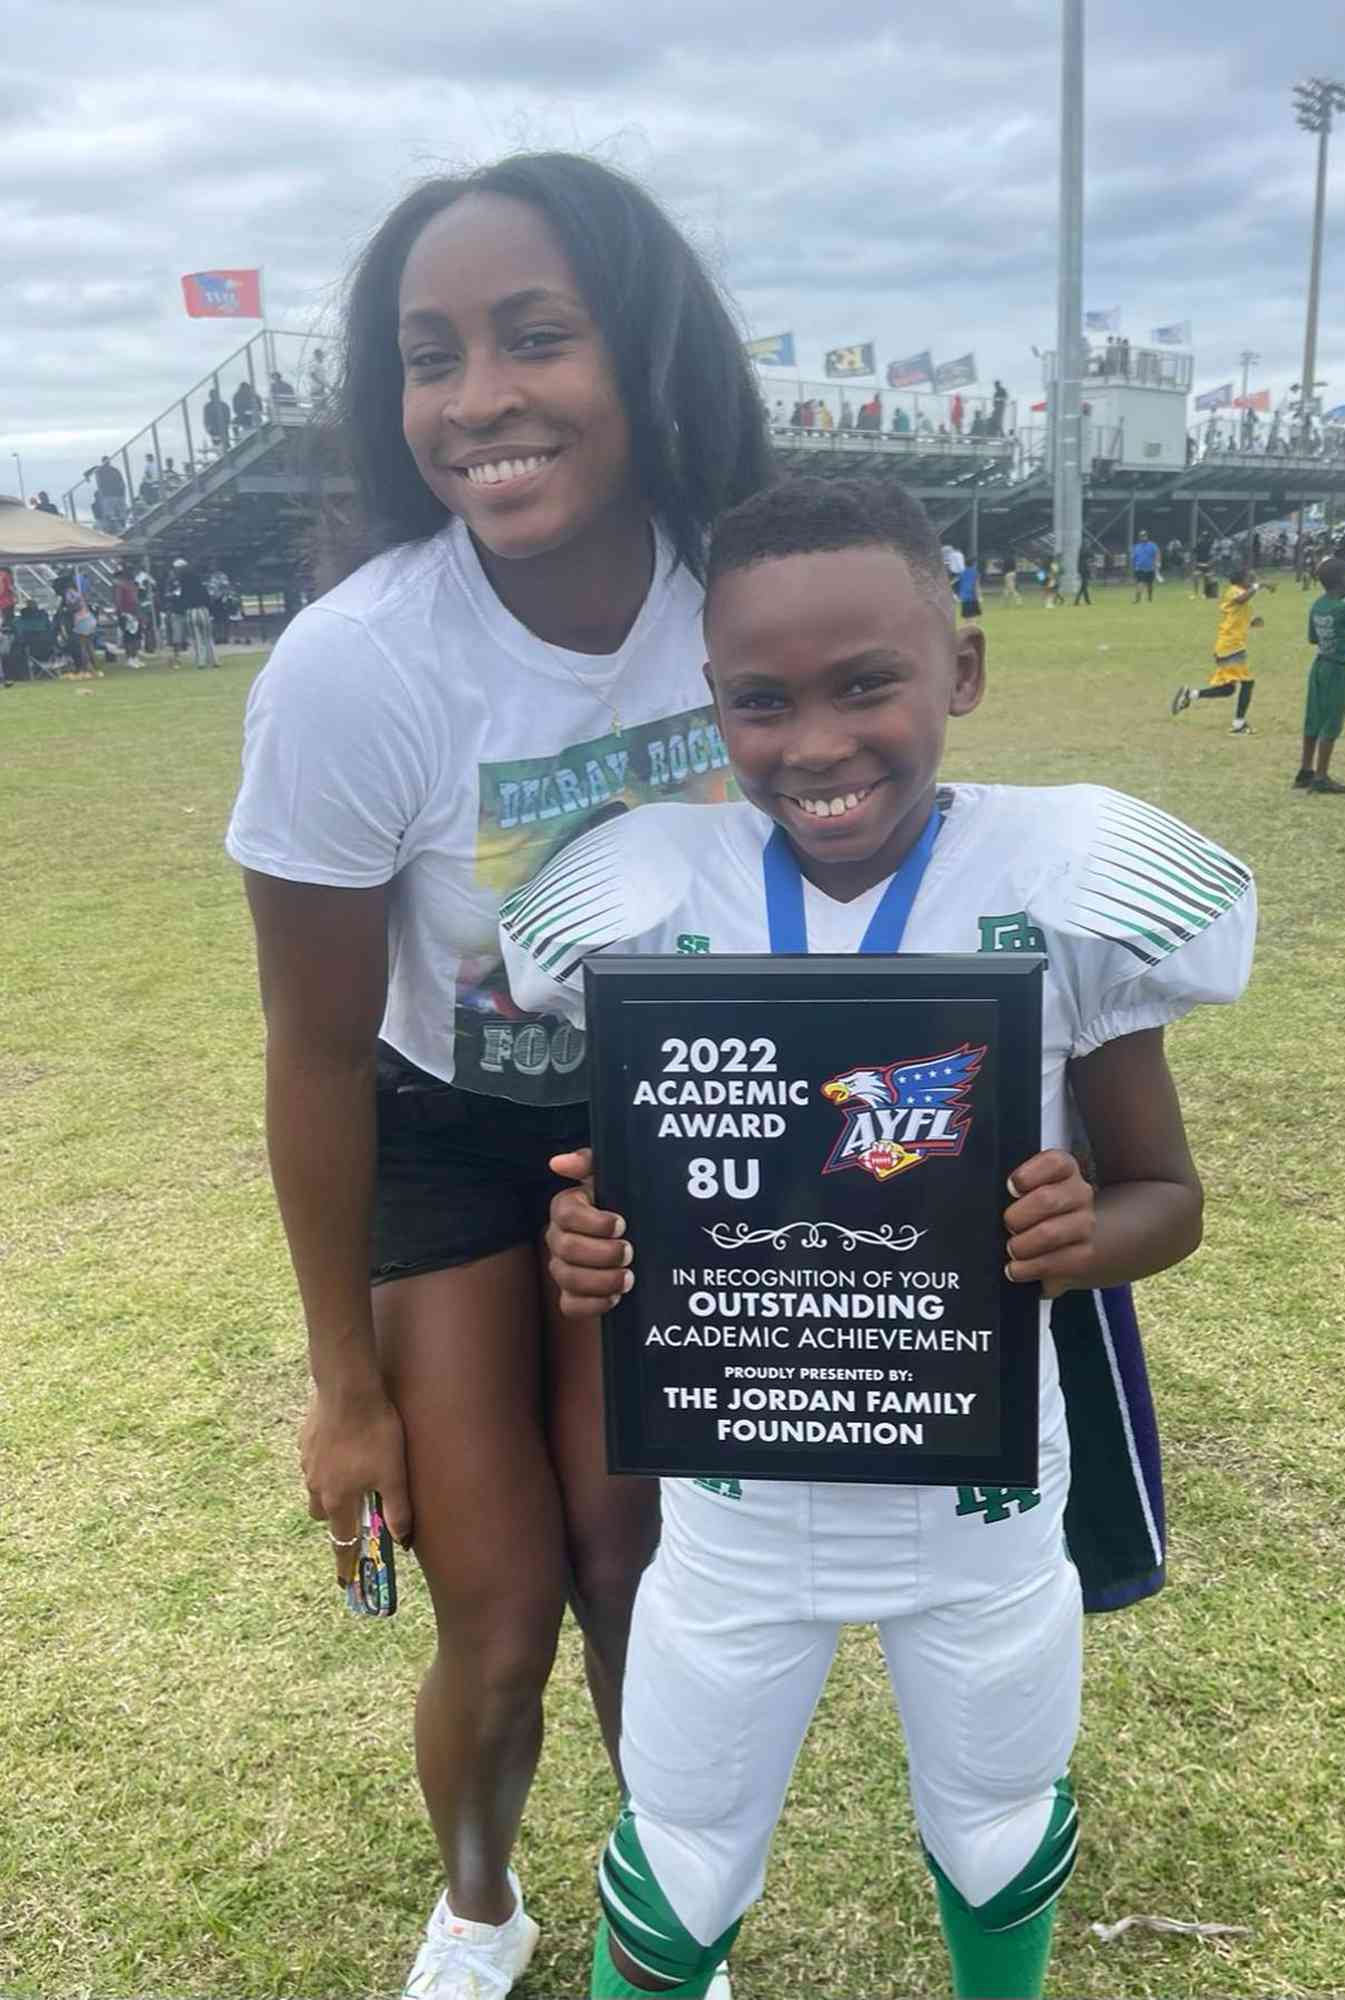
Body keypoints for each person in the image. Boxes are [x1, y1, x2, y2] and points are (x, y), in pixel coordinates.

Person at [498, 474, 1255, 2000]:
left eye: (868, 685)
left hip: (979, 1497)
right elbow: (635, 1202)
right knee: (686, 1843)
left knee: (994, 1827)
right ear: (716, 709)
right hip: (734, 1501)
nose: (819, 742)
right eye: (763, 701)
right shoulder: (650, 894)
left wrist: (1078, 1231)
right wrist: (585, 1248)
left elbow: (1165, 1198)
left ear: (960, 671)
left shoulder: (1062, 880)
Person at [223, 150, 773, 2000]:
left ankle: (662, 1911)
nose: (477, 401)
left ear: (643, 353)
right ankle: (479, 1902)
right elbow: (310, 1046)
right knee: (498, 1606)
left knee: (636, 1566)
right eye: (428, 355)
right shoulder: (358, 665)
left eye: (533, 337)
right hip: (447, 1138)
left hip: (664, 1124)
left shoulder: (741, 595)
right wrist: (338, 1384)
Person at [1169, 565, 1274, 734]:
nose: (1251, 581)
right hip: (1230, 647)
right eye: (1249, 578)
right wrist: (1259, 586)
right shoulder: (1234, 591)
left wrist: (1252, 622)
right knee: (1248, 683)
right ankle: (1239, 724)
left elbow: (1237, 616)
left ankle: (1190, 695)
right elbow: (1241, 600)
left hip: (1231, 646)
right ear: (1240, 581)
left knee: (1228, 689)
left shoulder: (1239, 593)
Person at [1292, 558, 1345, 794]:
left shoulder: (1318, 605)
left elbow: (1314, 638)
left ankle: (1305, 770)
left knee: (1313, 718)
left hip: (1320, 665)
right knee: (1332, 720)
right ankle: (1321, 776)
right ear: (1343, 580)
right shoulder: (1343, 607)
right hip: (1336, 670)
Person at [173, 558, 218, 667]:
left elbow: (182, 599)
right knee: (208, 637)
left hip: (191, 611)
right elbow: (207, 597)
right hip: (203, 610)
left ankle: (201, 662)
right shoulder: (198, 580)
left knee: (197, 638)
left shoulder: (182, 583)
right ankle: (214, 660)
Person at [1130, 530, 1158, 602]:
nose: (1143, 537)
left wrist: (1156, 565)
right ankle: (1137, 599)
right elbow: (1133, 558)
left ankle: (1150, 597)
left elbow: (1156, 555)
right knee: (1140, 583)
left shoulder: (1152, 545)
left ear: (1147, 536)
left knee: (1150, 585)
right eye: (1142, 536)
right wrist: (1133, 567)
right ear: (1139, 537)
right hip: (1139, 568)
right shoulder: (1136, 547)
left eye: (1144, 536)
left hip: (1150, 568)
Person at [203, 382, 231, 457]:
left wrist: (226, 425)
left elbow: (228, 417)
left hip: (223, 429)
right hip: (214, 430)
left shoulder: (223, 405)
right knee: (217, 448)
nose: (213, 397)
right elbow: (206, 419)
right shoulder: (208, 406)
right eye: (212, 395)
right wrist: (208, 429)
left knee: (226, 446)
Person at [957, 553, 982, 620]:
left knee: (966, 616)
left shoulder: (962, 573)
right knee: (973, 616)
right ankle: (972, 628)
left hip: (964, 597)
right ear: (973, 564)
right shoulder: (975, 573)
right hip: (972, 597)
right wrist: (979, 597)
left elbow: (960, 585)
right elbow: (976, 586)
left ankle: (967, 629)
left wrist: (959, 595)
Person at [1191, 529, 1214, 598]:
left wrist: (1211, 563)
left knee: (1206, 579)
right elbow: (1194, 551)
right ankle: (1196, 593)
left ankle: (1204, 593)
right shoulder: (1200, 544)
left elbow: (1193, 551)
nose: (1204, 538)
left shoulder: (1210, 544)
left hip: (1207, 564)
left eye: (1205, 537)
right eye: (1203, 536)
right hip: (1200, 564)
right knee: (1197, 577)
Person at [1073, 540, 1092, 606]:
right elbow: (1089, 555)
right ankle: (1085, 601)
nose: (1088, 545)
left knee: (1083, 586)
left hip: (1084, 570)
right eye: (1087, 543)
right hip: (1084, 570)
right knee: (1084, 586)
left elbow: (1090, 556)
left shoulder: (1083, 550)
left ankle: (1079, 601)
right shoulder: (1083, 550)